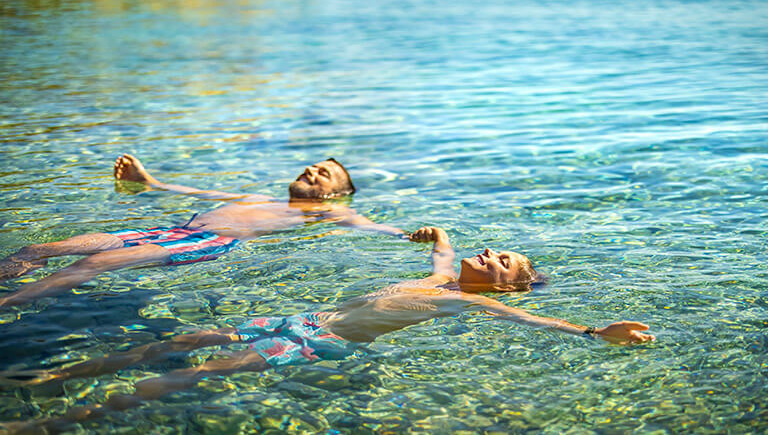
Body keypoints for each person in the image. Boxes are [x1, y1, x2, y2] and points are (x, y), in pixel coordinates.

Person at [2, 227, 654, 430]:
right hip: (296, 319)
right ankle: (56, 376)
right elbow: (436, 255)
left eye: (500, 262)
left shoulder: (474, 303)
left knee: (187, 374)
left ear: (504, 283)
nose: (487, 256)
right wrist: (443, 236)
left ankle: (41, 425)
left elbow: (534, 318)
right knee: (167, 343)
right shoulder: (437, 282)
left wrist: (596, 333)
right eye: (488, 248)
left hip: (314, 343)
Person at [0, 154, 405, 307]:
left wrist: (411, 236)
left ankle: (7, 306)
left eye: (325, 174)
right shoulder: (253, 196)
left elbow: (368, 225)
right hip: (167, 229)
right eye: (314, 165)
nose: (312, 170)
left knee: (96, 262)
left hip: (209, 242)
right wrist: (150, 181)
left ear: (336, 193)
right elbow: (195, 190)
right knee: (40, 247)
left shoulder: (326, 214)